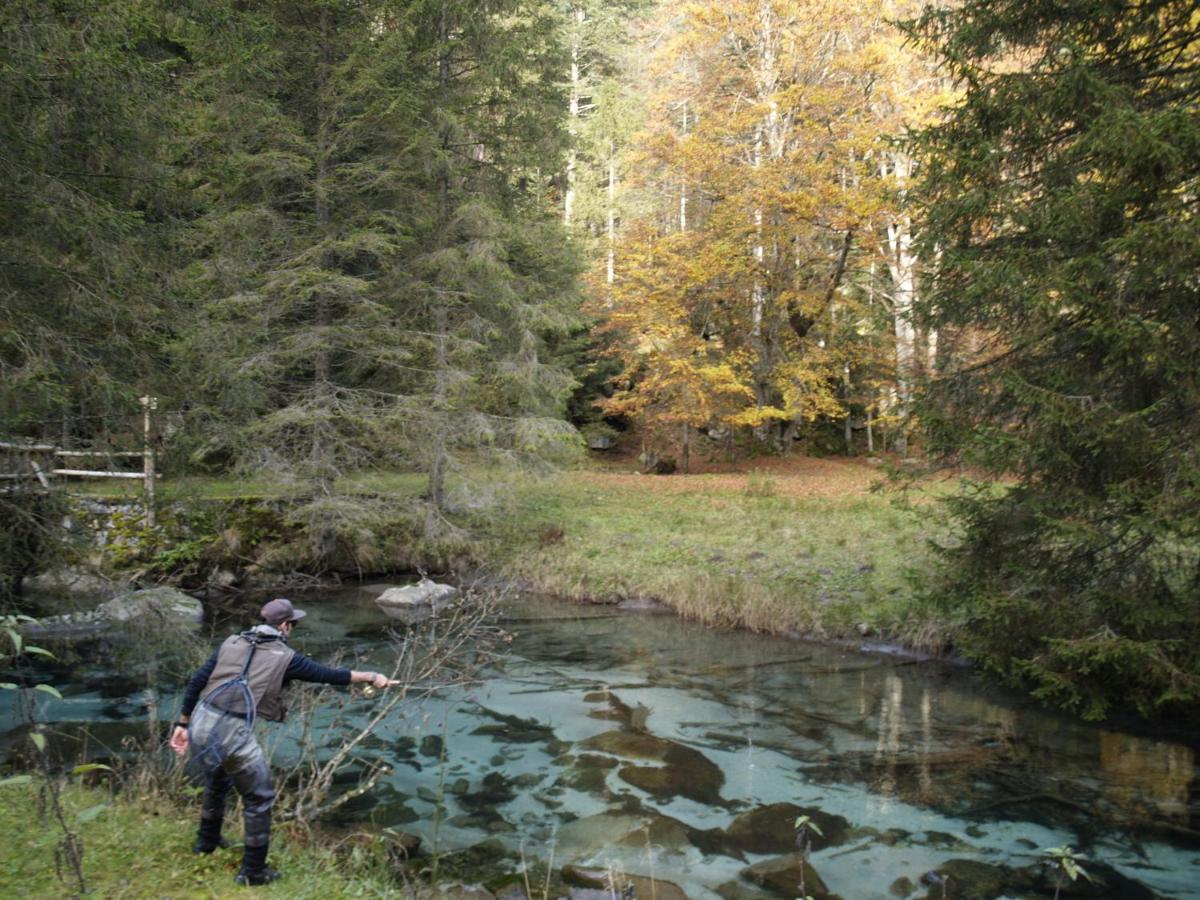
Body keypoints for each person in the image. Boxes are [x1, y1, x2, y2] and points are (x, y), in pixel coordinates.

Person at [169, 597, 397, 886]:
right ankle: (253, 871)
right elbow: (329, 675)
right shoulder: (285, 657)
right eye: (293, 624)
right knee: (260, 797)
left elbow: (197, 681)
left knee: (217, 782)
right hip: (232, 730)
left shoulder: (231, 642)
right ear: (285, 626)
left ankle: (206, 844)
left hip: (202, 720)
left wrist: (182, 724)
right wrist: (372, 676)